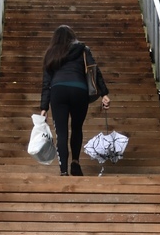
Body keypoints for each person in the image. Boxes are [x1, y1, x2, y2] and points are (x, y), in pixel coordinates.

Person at [39, 25, 110, 176]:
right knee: (77, 128)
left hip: (58, 91)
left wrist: (44, 107)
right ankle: (75, 162)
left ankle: (63, 170)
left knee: (62, 132)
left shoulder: (51, 53)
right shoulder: (83, 50)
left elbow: (46, 83)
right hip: (79, 90)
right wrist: (104, 93)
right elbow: (94, 71)